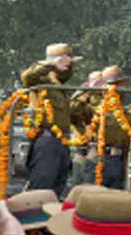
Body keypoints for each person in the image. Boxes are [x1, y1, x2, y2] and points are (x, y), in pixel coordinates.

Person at [20, 43, 89, 195]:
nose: (70, 65)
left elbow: (74, 116)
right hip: (47, 142)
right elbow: (26, 76)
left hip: (61, 143)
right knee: (42, 190)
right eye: (66, 61)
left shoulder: (60, 87)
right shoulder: (40, 81)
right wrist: (51, 63)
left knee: (58, 189)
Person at [91, 65, 131, 189]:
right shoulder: (95, 107)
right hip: (100, 159)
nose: (122, 88)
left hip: (118, 160)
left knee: (116, 201)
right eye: (119, 83)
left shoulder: (123, 112)